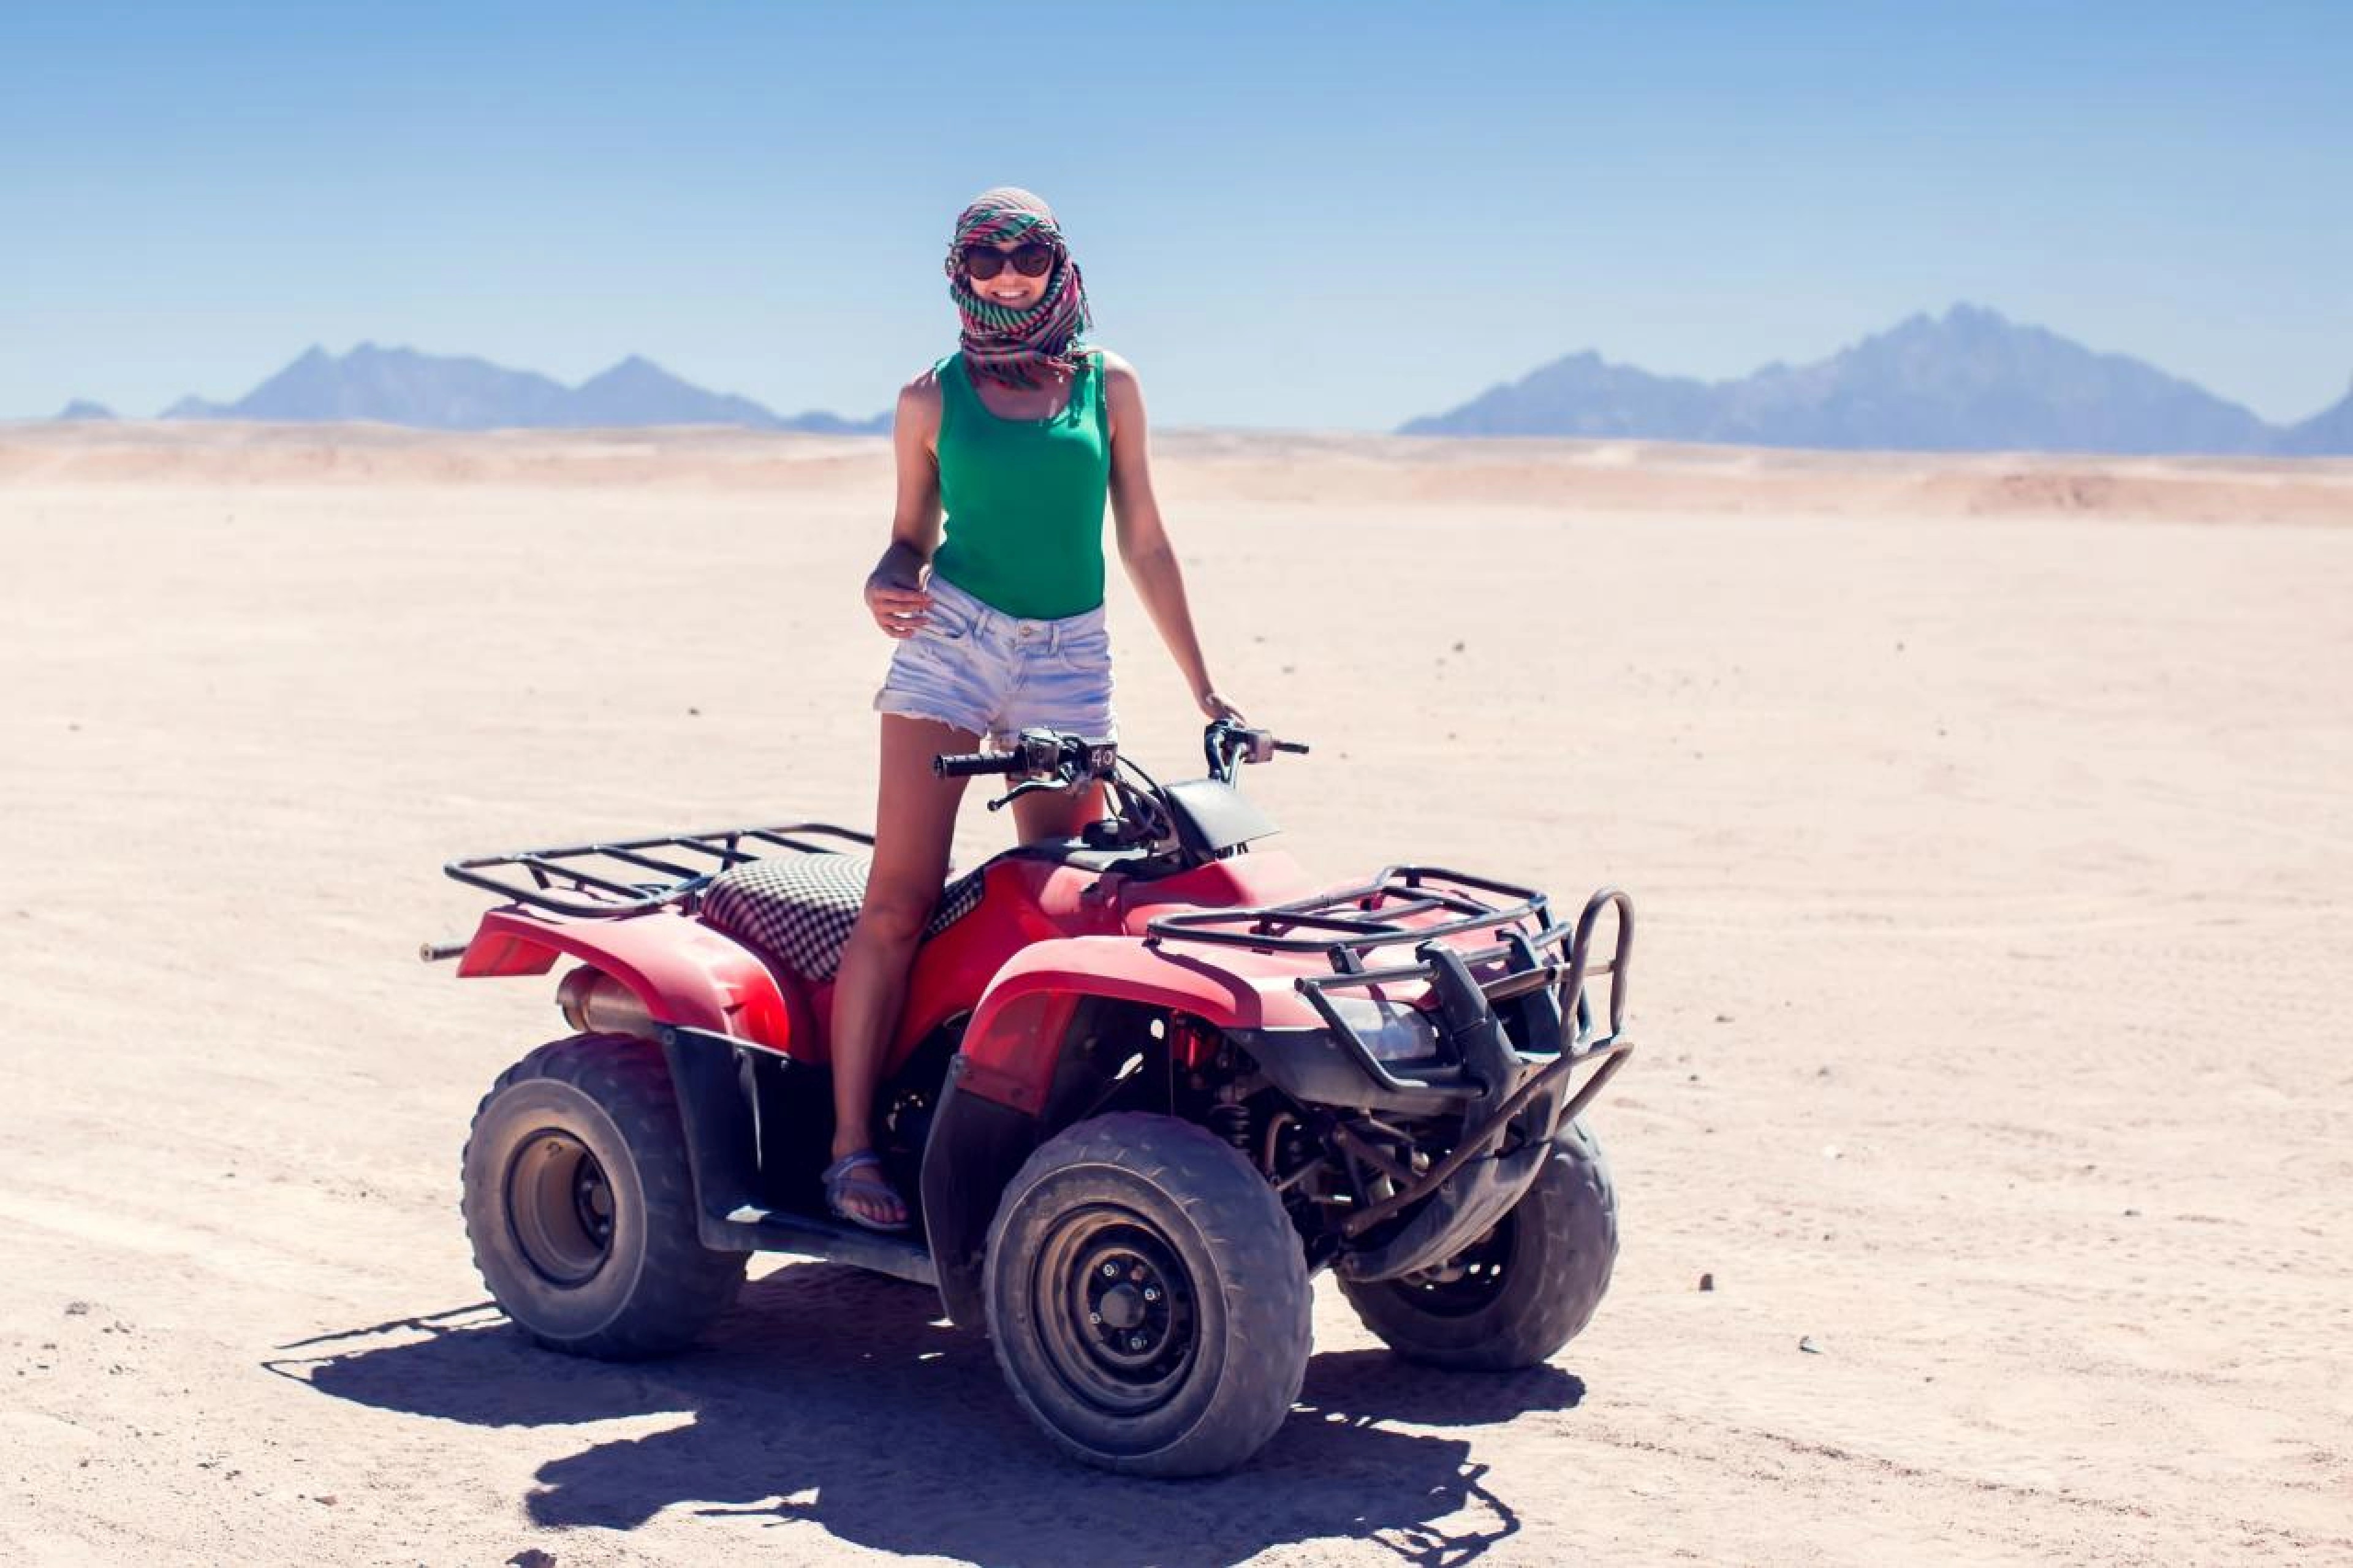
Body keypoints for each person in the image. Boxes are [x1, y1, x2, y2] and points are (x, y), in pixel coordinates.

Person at [822, 187, 1241, 1231]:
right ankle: (849, 1148)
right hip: (952, 648)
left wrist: (1204, 687)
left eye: (1028, 257)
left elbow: (1141, 537)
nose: (1008, 276)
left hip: (1070, 659)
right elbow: (910, 535)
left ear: (1060, 265)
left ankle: (1026, 1138)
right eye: (985, 259)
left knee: (1058, 900)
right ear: (958, 273)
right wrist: (886, 576)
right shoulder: (930, 399)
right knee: (898, 899)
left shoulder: (1110, 384)